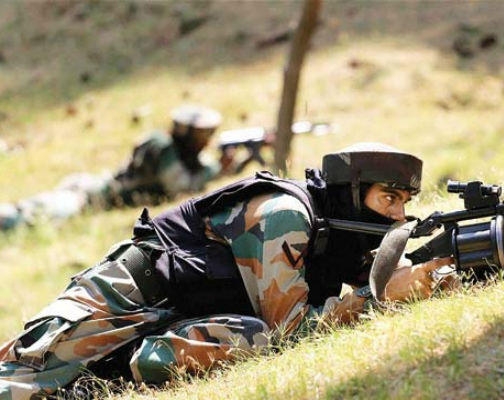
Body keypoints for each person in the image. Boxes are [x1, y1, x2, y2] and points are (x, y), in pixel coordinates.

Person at [0, 142, 455, 399]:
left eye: (404, 202)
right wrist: (378, 297)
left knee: (248, 333)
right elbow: (290, 329)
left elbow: (380, 272)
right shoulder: (283, 216)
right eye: (388, 199)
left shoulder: (334, 227)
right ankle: (93, 379)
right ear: (352, 195)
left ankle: (103, 381)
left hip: (165, 314)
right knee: (15, 386)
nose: (398, 216)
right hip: (116, 304)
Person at [0, 105, 223, 232]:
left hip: (92, 195)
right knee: (29, 215)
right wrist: (217, 169)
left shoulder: (183, 157)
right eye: (201, 134)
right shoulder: (162, 146)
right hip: (88, 195)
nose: (206, 141)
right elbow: (179, 186)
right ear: (185, 132)